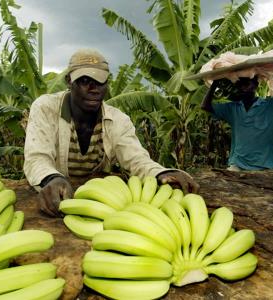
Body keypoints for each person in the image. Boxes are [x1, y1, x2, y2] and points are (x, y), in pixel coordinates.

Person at [24, 48, 199, 216]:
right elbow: (37, 158)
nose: (94, 88)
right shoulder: (46, 108)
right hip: (56, 194)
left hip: (101, 200)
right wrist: (51, 178)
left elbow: (136, 159)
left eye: (100, 81)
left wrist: (160, 172)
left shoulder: (118, 120)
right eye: (85, 81)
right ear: (69, 81)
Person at [201, 53, 273, 171]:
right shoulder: (233, 109)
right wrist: (215, 82)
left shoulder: (272, 106)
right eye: (240, 85)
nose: (243, 88)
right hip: (237, 165)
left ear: (256, 85)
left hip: (265, 167)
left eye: (247, 84)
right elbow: (205, 106)